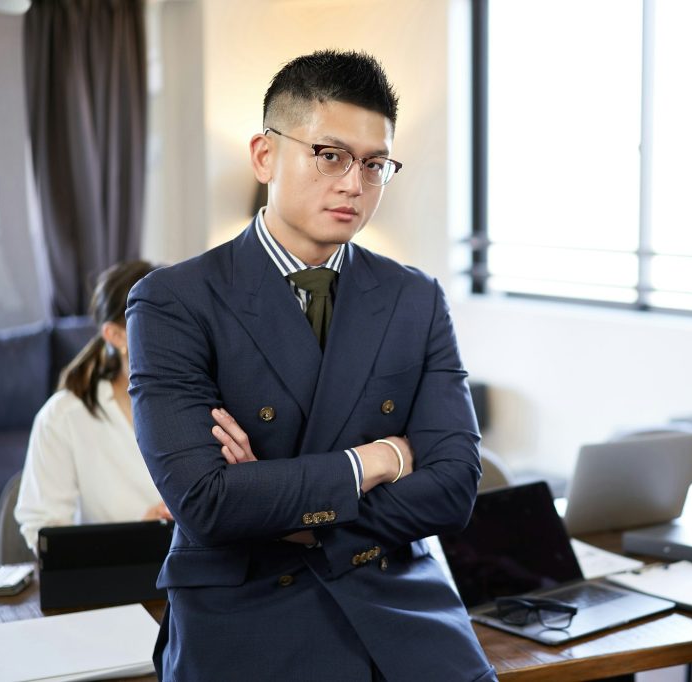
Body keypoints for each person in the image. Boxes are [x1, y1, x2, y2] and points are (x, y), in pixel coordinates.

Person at [126, 50, 496, 681]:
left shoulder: (414, 297)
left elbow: (456, 487)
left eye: (375, 163)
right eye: (330, 155)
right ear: (265, 155)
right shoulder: (172, 301)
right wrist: (379, 460)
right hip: (243, 612)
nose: (355, 184)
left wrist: (276, 500)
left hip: (401, 605)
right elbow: (208, 503)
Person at [15, 260, 170, 553]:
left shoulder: (208, 401)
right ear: (115, 335)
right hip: (117, 587)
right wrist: (134, 538)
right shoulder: (62, 417)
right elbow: (43, 531)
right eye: (160, 322)